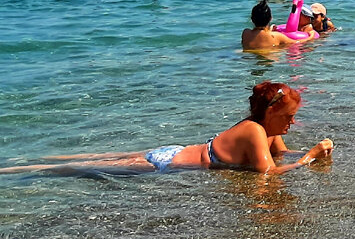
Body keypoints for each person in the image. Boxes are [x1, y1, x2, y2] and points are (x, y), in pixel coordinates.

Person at [0, 81, 334, 176]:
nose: (293, 122)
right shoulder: (255, 132)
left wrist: (306, 153)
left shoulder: (267, 129)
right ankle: (19, 168)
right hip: (168, 162)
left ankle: (37, 156)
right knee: (80, 169)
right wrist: (310, 158)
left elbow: (282, 155)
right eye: (289, 116)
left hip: (177, 151)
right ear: (271, 111)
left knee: (95, 158)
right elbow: (269, 173)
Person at [242, 0, 315, 48]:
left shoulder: (245, 33)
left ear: (252, 19)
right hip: (270, 61)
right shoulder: (276, 36)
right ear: (271, 18)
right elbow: (297, 42)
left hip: (250, 58)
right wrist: (311, 36)